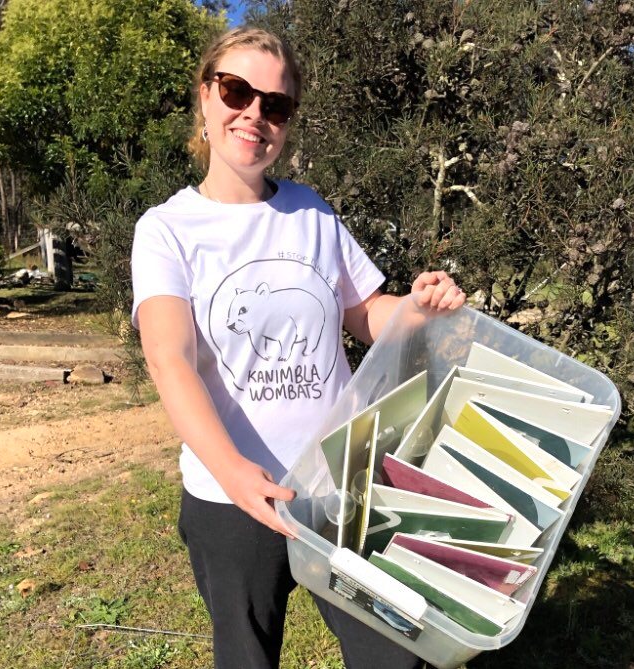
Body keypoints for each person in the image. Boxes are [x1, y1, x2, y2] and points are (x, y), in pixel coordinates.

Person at [131, 26, 465, 669]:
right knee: (247, 656)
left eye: (276, 105)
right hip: (231, 502)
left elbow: (367, 313)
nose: (255, 114)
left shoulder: (313, 211)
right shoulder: (167, 230)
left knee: (392, 654)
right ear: (206, 97)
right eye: (237, 91)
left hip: (341, 481)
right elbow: (167, 358)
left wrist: (418, 309)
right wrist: (232, 472)